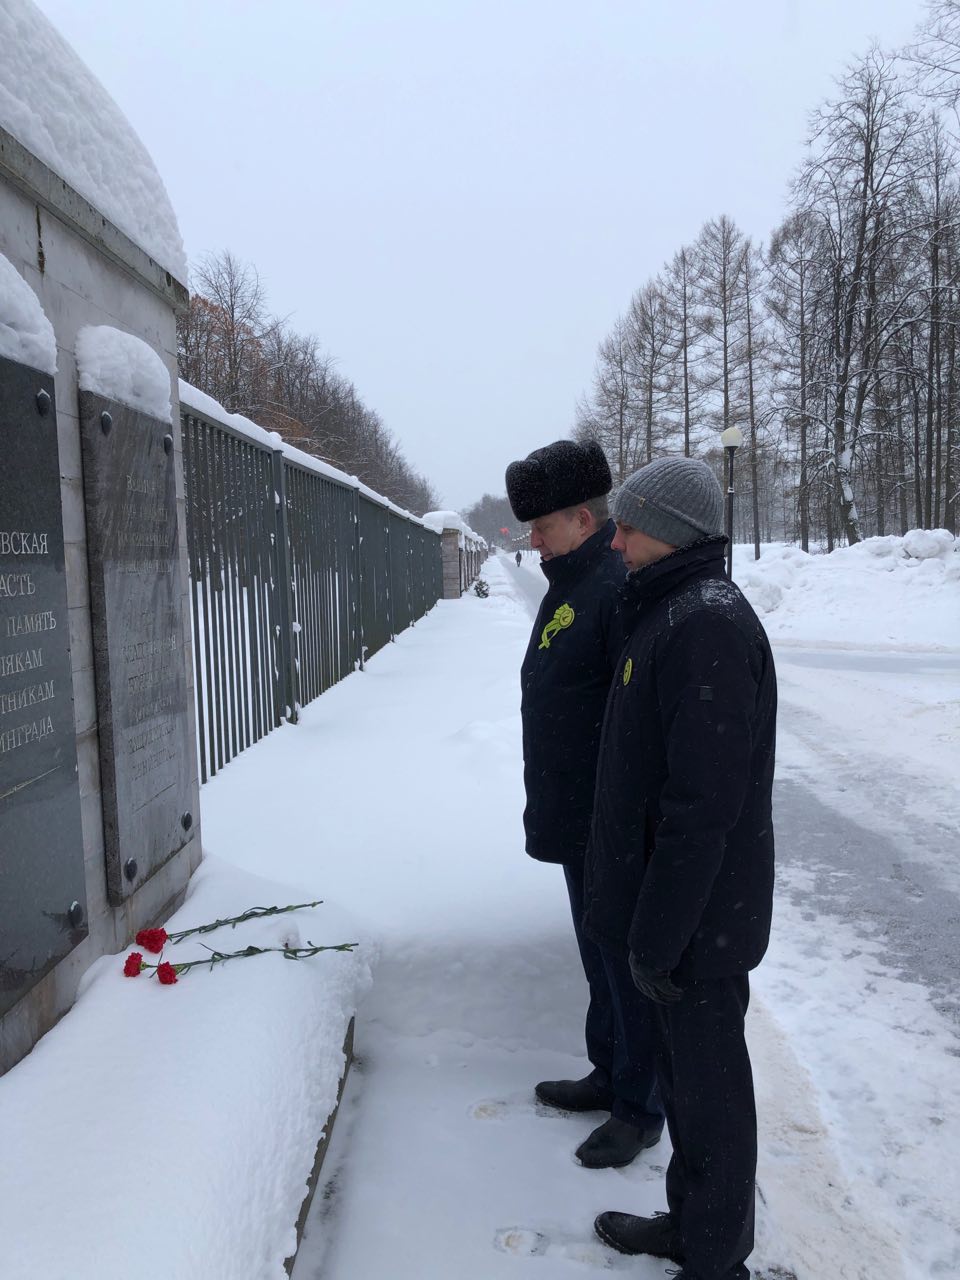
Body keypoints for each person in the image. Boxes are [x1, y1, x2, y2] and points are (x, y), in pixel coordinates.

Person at [584, 457, 777, 1280]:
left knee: (710, 1096)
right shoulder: (674, 608)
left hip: (699, 925)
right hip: (678, 919)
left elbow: (702, 807)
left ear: (672, 531)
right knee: (689, 1087)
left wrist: (660, 936)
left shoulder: (705, 627)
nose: (615, 539)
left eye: (628, 525)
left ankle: (717, 1261)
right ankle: (694, 1229)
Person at [505, 439, 663, 1169]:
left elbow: (636, 717)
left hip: (610, 823)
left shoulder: (614, 587)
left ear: (582, 518)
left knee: (624, 965)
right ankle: (610, 1071)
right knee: (598, 958)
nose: (532, 541)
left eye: (541, 527)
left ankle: (640, 1107)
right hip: (579, 817)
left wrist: (618, 818)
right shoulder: (573, 583)